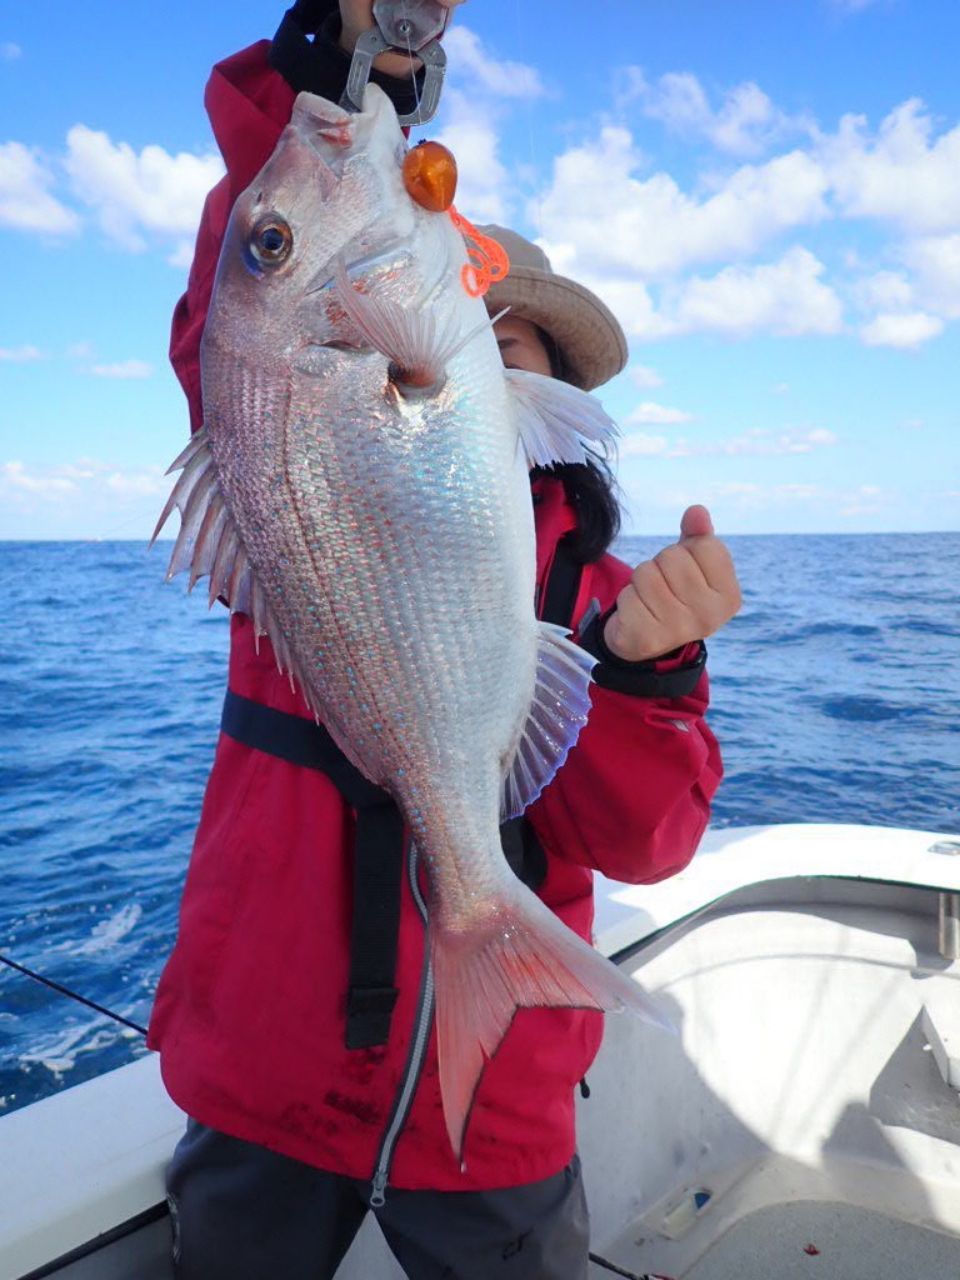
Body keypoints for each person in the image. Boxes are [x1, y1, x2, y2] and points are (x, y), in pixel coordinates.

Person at [147, 3, 742, 1277]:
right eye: (486, 309)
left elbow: (648, 841)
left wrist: (648, 672)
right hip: (269, 1068)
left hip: (499, 1125)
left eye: (519, 339)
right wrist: (358, 50)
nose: (492, 335)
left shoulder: (603, 592)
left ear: (544, 401)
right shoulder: (282, 474)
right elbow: (248, 290)